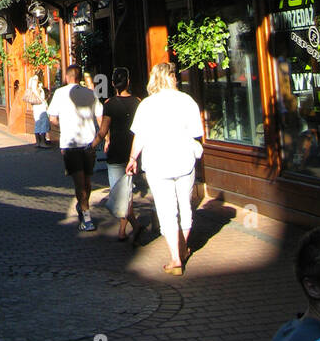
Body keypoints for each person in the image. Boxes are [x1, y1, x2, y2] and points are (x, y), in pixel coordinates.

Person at [126, 61, 203, 274]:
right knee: (185, 205)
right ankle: (183, 246)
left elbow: (139, 136)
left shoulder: (147, 105)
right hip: (184, 159)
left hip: (157, 162)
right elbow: (197, 133)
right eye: (174, 75)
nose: (177, 78)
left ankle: (176, 258)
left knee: (166, 210)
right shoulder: (187, 101)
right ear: (170, 78)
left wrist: (133, 158)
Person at [47, 64, 103, 231]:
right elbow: (100, 116)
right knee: (87, 180)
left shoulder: (59, 93)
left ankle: (85, 216)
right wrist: (103, 137)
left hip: (71, 144)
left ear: (67, 77)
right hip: (89, 143)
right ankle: (85, 211)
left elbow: (52, 118)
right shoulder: (90, 93)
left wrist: (62, 126)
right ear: (78, 77)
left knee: (80, 183)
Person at [95, 67, 140, 239]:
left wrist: (94, 145)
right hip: (132, 152)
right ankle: (124, 229)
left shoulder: (109, 104)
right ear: (128, 81)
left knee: (118, 192)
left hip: (115, 153)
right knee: (126, 192)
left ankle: (131, 227)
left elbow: (103, 130)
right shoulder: (138, 101)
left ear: (113, 83)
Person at [23, 73, 50, 147]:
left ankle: (38, 142)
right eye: (36, 79)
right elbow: (37, 93)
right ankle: (42, 142)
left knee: (37, 124)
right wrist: (43, 100)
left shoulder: (32, 88)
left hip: (36, 107)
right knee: (43, 123)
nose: (37, 80)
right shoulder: (36, 89)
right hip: (41, 107)